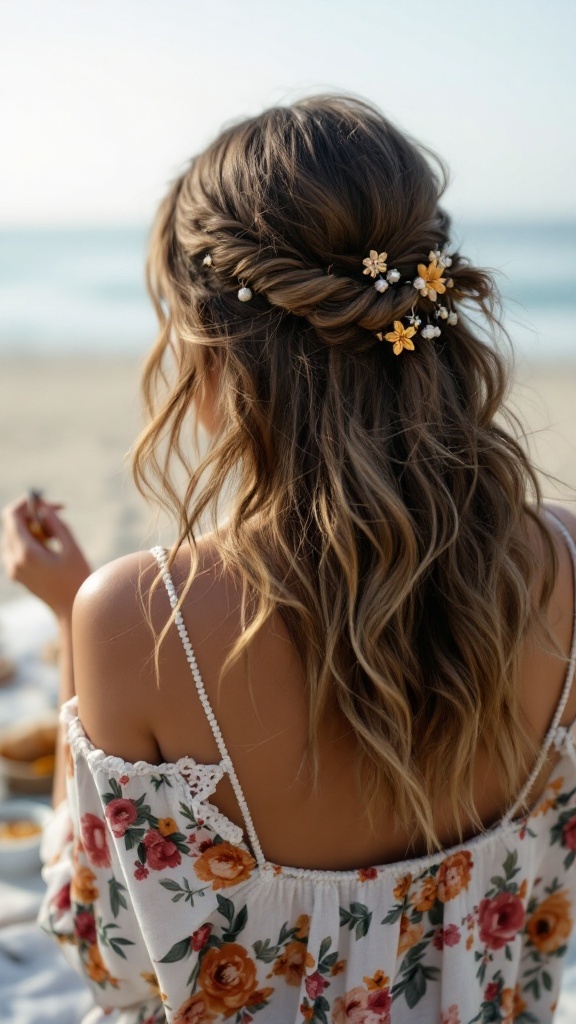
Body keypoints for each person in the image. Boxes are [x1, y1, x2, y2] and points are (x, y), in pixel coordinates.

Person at [2, 95, 576, 1024]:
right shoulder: (565, 561)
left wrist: (75, 622)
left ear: (212, 353)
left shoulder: (140, 621)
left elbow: (106, 952)